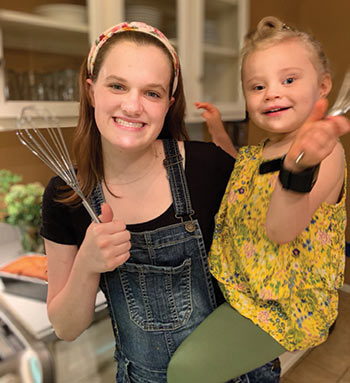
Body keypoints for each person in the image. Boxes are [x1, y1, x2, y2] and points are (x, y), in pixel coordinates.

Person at [40, 21, 280, 383]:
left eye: (151, 93)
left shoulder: (211, 168)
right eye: (117, 86)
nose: (133, 105)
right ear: (91, 91)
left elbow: (276, 247)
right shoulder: (67, 195)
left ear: (168, 104)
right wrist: (87, 264)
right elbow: (65, 328)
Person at [168, 15, 350, 382]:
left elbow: (282, 228)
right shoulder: (260, 151)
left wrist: (299, 167)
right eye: (257, 86)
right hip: (239, 283)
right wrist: (217, 130)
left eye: (289, 79)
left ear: (323, 85)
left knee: (185, 371)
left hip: (281, 305)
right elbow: (242, 173)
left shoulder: (325, 156)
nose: (272, 93)